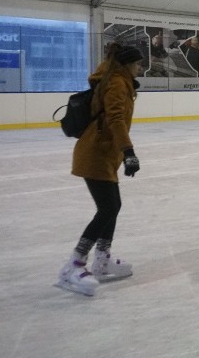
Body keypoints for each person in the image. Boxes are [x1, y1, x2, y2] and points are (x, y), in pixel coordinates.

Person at [57, 43, 142, 296]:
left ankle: (102, 260)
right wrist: (129, 152)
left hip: (104, 153)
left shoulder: (117, 79)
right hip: (95, 153)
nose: (140, 68)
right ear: (126, 64)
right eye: (138, 64)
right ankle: (73, 265)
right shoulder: (116, 82)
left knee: (112, 206)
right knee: (108, 208)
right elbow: (115, 119)